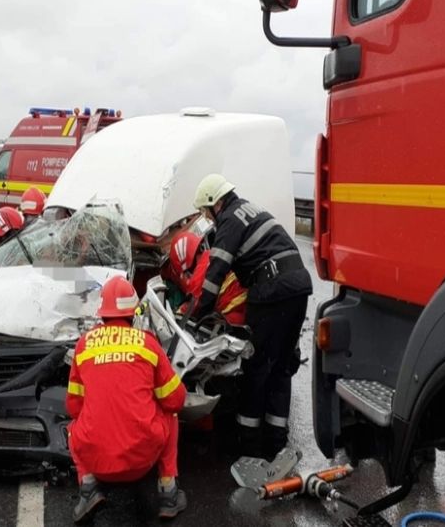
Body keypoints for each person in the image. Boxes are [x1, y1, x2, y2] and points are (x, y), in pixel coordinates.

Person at [189, 174, 312, 459]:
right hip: (299, 287)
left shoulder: (230, 220)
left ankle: (250, 449)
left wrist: (198, 315)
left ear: (215, 203)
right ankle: (277, 446)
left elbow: (216, 272)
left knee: (256, 366)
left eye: (206, 212)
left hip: (271, 290)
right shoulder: (251, 210)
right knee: (281, 365)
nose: (207, 218)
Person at [66, 275, 188, 523]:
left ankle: (88, 488)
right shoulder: (148, 344)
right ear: (134, 313)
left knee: (73, 428)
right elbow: (176, 400)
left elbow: (73, 408)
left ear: (102, 313)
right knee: (170, 415)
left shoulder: (83, 346)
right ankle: (168, 493)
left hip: (97, 461)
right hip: (142, 460)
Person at [167, 231, 247, 325]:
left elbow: (189, 310)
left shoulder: (198, 276)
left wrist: (174, 314)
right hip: (248, 303)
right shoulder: (211, 255)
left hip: (237, 313)